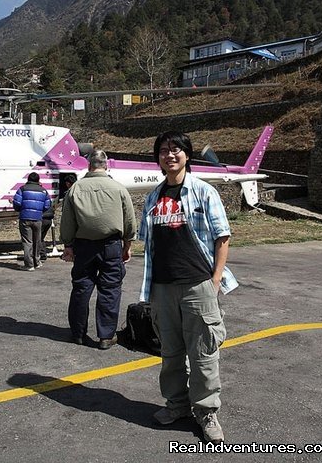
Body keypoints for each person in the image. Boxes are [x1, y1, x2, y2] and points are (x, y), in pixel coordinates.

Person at [138, 131, 237, 443]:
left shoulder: (204, 192)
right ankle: (177, 405)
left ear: (187, 156)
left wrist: (216, 279)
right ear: (158, 159)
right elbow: (149, 245)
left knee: (204, 354)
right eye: (164, 150)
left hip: (198, 284)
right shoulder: (153, 198)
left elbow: (223, 237)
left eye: (176, 150)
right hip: (163, 288)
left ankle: (206, 413)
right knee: (170, 353)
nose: (170, 155)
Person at [60, 151, 136, 350]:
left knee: (81, 288)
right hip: (111, 245)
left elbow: (67, 221)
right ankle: (105, 336)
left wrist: (68, 245)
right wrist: (127, 245)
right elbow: (129, 221)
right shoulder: (119, 189)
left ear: (88, 166)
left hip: (83, 246)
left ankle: (77, 333)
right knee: (110, 289)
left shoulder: (75, 189)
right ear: (106, 166)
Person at [13, 172, 51, 271]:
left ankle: (29, 265)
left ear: (28, 179)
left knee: (27, 242)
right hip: (38, 219)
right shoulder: (43, 191)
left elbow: (17, 203)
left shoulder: (22, 189)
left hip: (25, 218)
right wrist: (39, 211)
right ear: (38, 180)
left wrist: (20, 210)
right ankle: (37, 262)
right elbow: (47, 205)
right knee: (37, 241)